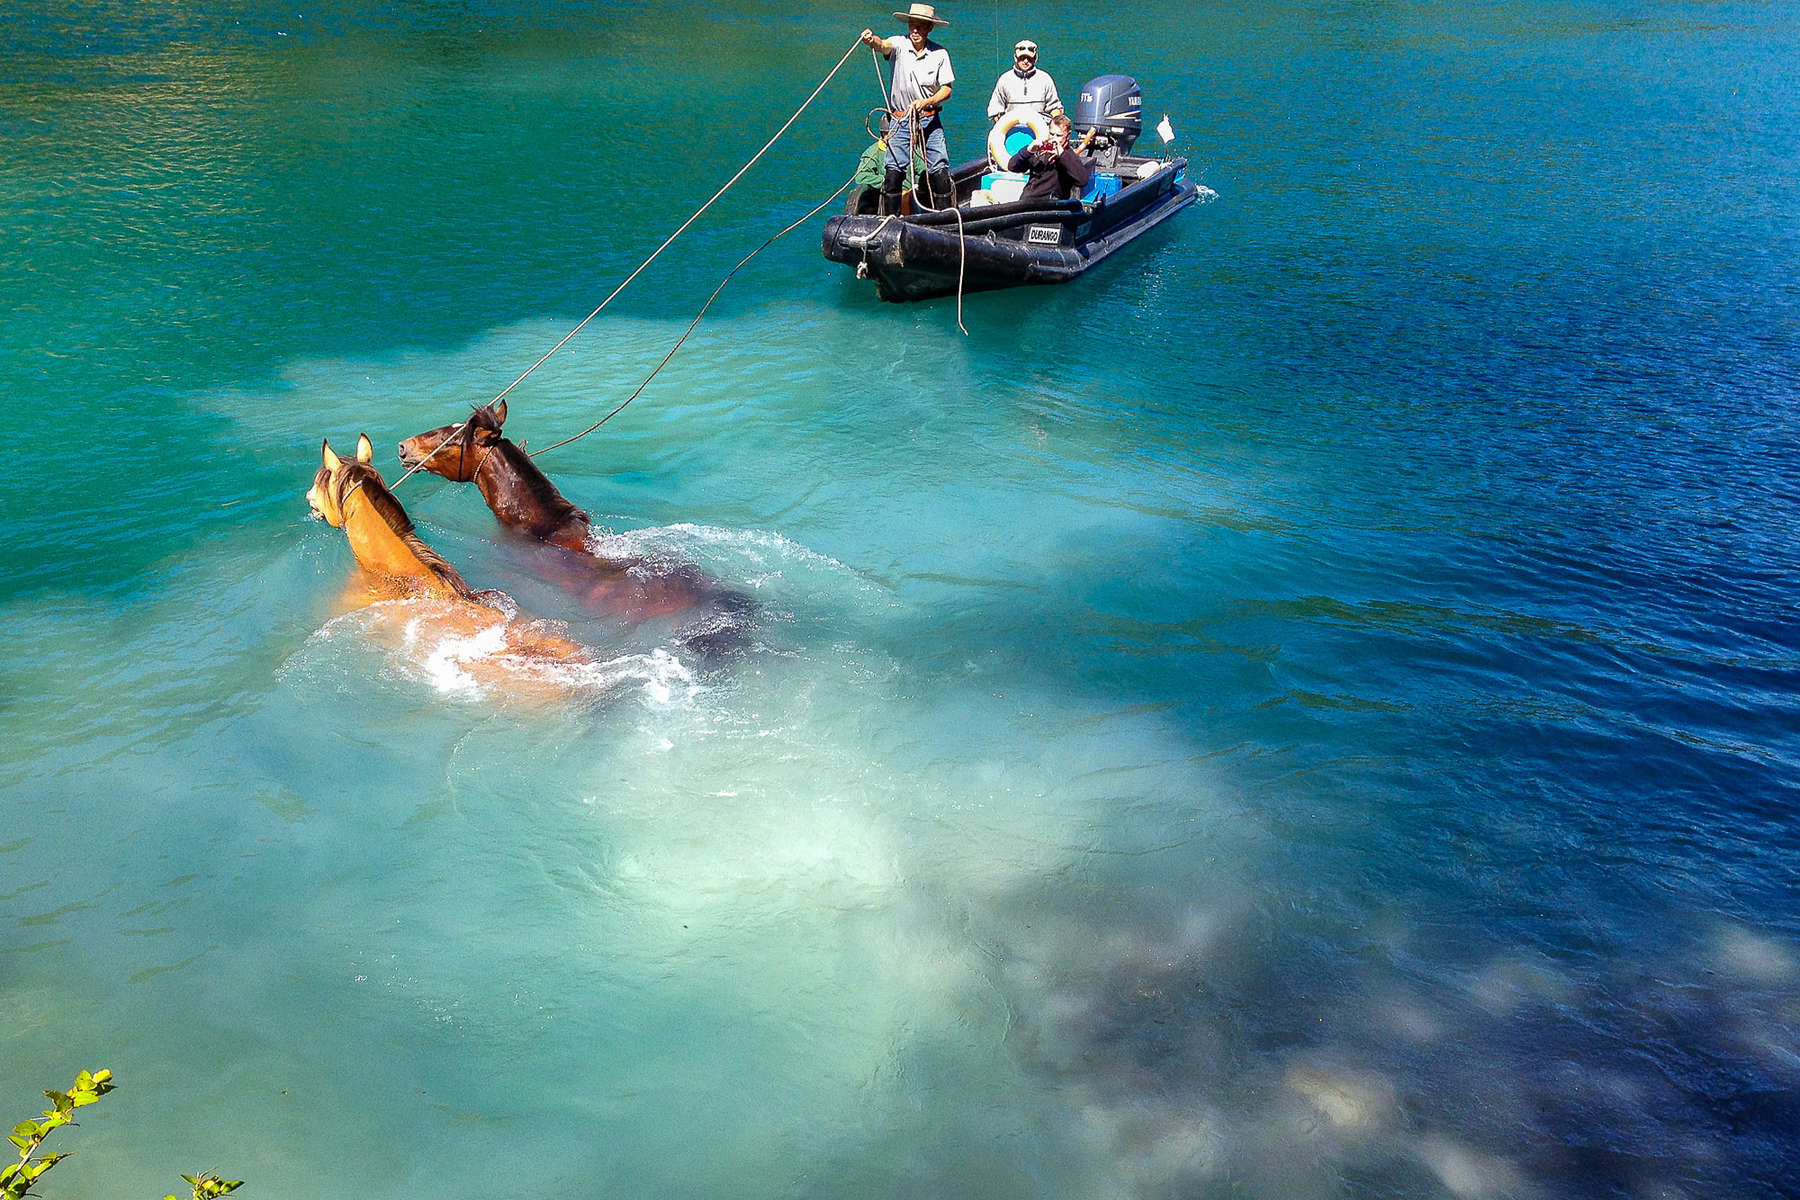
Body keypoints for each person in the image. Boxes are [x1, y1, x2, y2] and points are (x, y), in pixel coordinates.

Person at [860, 4, 955, 214]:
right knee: (894, 171)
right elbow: (882, 45)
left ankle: (946, 220)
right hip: (901, 120)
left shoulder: (940, 54)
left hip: (929, 119)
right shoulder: (899, 44)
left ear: (929, 28)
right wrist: (871, 39)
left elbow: (947, 90)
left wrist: (926, 101)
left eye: (920, 27)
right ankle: (891, 221)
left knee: (939, 168)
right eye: (913, 26)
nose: (915, 30)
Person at [1006, 112, 1094, 202]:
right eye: (1052, 134)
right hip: (1028, 202)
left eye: (1059, 136)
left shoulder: (1069, 156)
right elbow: (1012, 166)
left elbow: (1083, 180)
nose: (1054, 139)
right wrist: (1028, 151)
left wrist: (1062, 155)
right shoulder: (1039, 151)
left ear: (1068, 135)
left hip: (1052, 205)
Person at [987, 39, 1062, 124]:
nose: (1026, 61)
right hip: (1011, 130)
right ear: (1015, 57)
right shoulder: (1004, 80)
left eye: (1029, 58)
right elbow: (995, 109)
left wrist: (1056, 121)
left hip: (1040, 130)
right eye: (1022, 58)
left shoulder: (1045, 79)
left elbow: (1054, 108)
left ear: (1035, 58)